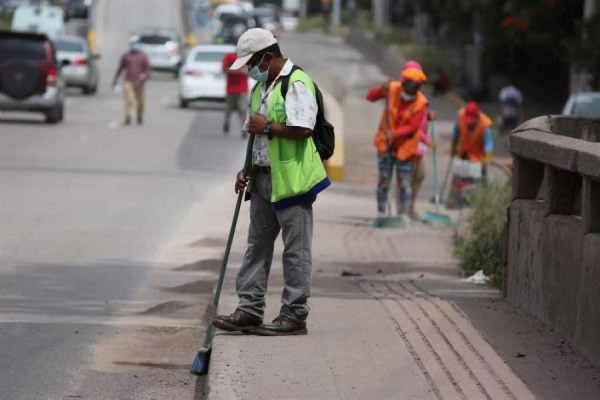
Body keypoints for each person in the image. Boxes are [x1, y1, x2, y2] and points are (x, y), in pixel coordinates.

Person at [212, 29, 330, 336]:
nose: (249, 70)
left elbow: (303, 128)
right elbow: (254, 134)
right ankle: (249, 310)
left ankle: (294, 315)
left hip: (294, 182)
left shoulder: (297, 83)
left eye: (251, 63)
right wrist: (247, 168)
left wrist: (267, 128)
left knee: (295, 251)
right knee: (257, 246)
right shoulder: (260, 88)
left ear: (267, 57)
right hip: (263, 180)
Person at [366, 67, 429, 224]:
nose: (410, 90)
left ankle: (404, 215)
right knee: (384, 180)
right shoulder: (392, 88)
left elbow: (413, 127)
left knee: (404, 181)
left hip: (405, 147)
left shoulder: (421, 102)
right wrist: (381, 88)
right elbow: (370, 97)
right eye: (408, 86)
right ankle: (381, 213)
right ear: (403, 83)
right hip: (385, 143)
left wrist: (395, 134)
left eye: (415, 87)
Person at [112, 39, 151, 125]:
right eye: (133, 44)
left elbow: (148, 70)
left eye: (136, 44)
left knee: (140, 101)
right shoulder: (126, 55)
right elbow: (120, 68)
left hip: (140, 83)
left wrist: (145, 75)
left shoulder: (143, 56)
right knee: (129, 99)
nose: (134, 45)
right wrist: (115, 80)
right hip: (128, 81)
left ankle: (139, 115)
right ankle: (128, 116)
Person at [451, 101, 493, 176]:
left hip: (478, 159)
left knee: (479, 182)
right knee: (460, 179)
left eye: (471, 121)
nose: (469, 124)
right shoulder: (461, 116)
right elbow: (455, 134)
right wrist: (453, 147)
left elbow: (488, 144)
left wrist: (487, 158)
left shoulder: (485, 124)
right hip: (463, 154)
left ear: (477, 117)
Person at [222, 51, 249, 137]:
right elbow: (224, 69)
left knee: (242, 109)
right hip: (231, 89)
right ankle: (226, 122)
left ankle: (243, 129)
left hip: (242, 89)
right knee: (229, 109)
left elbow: (251, 70)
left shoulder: (247, 58)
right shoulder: (230, 56)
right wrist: (239, 71)